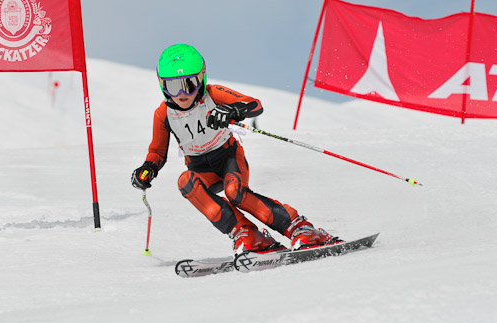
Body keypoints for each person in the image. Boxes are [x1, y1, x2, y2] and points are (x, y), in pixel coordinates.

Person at [131, 44, 343, 255]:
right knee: (185, 182)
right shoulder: (163, 114)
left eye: (189, 84)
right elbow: (157, 152)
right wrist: (148, 168)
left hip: (228, 156)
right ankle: (248, 234)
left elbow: (254, 104)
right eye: (172, 86)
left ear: (202, 79)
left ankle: (300, 228)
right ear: (162, 86)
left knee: (235, 193)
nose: (182, 93)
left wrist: (231, 109)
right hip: (202, 170)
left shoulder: (212, 94)